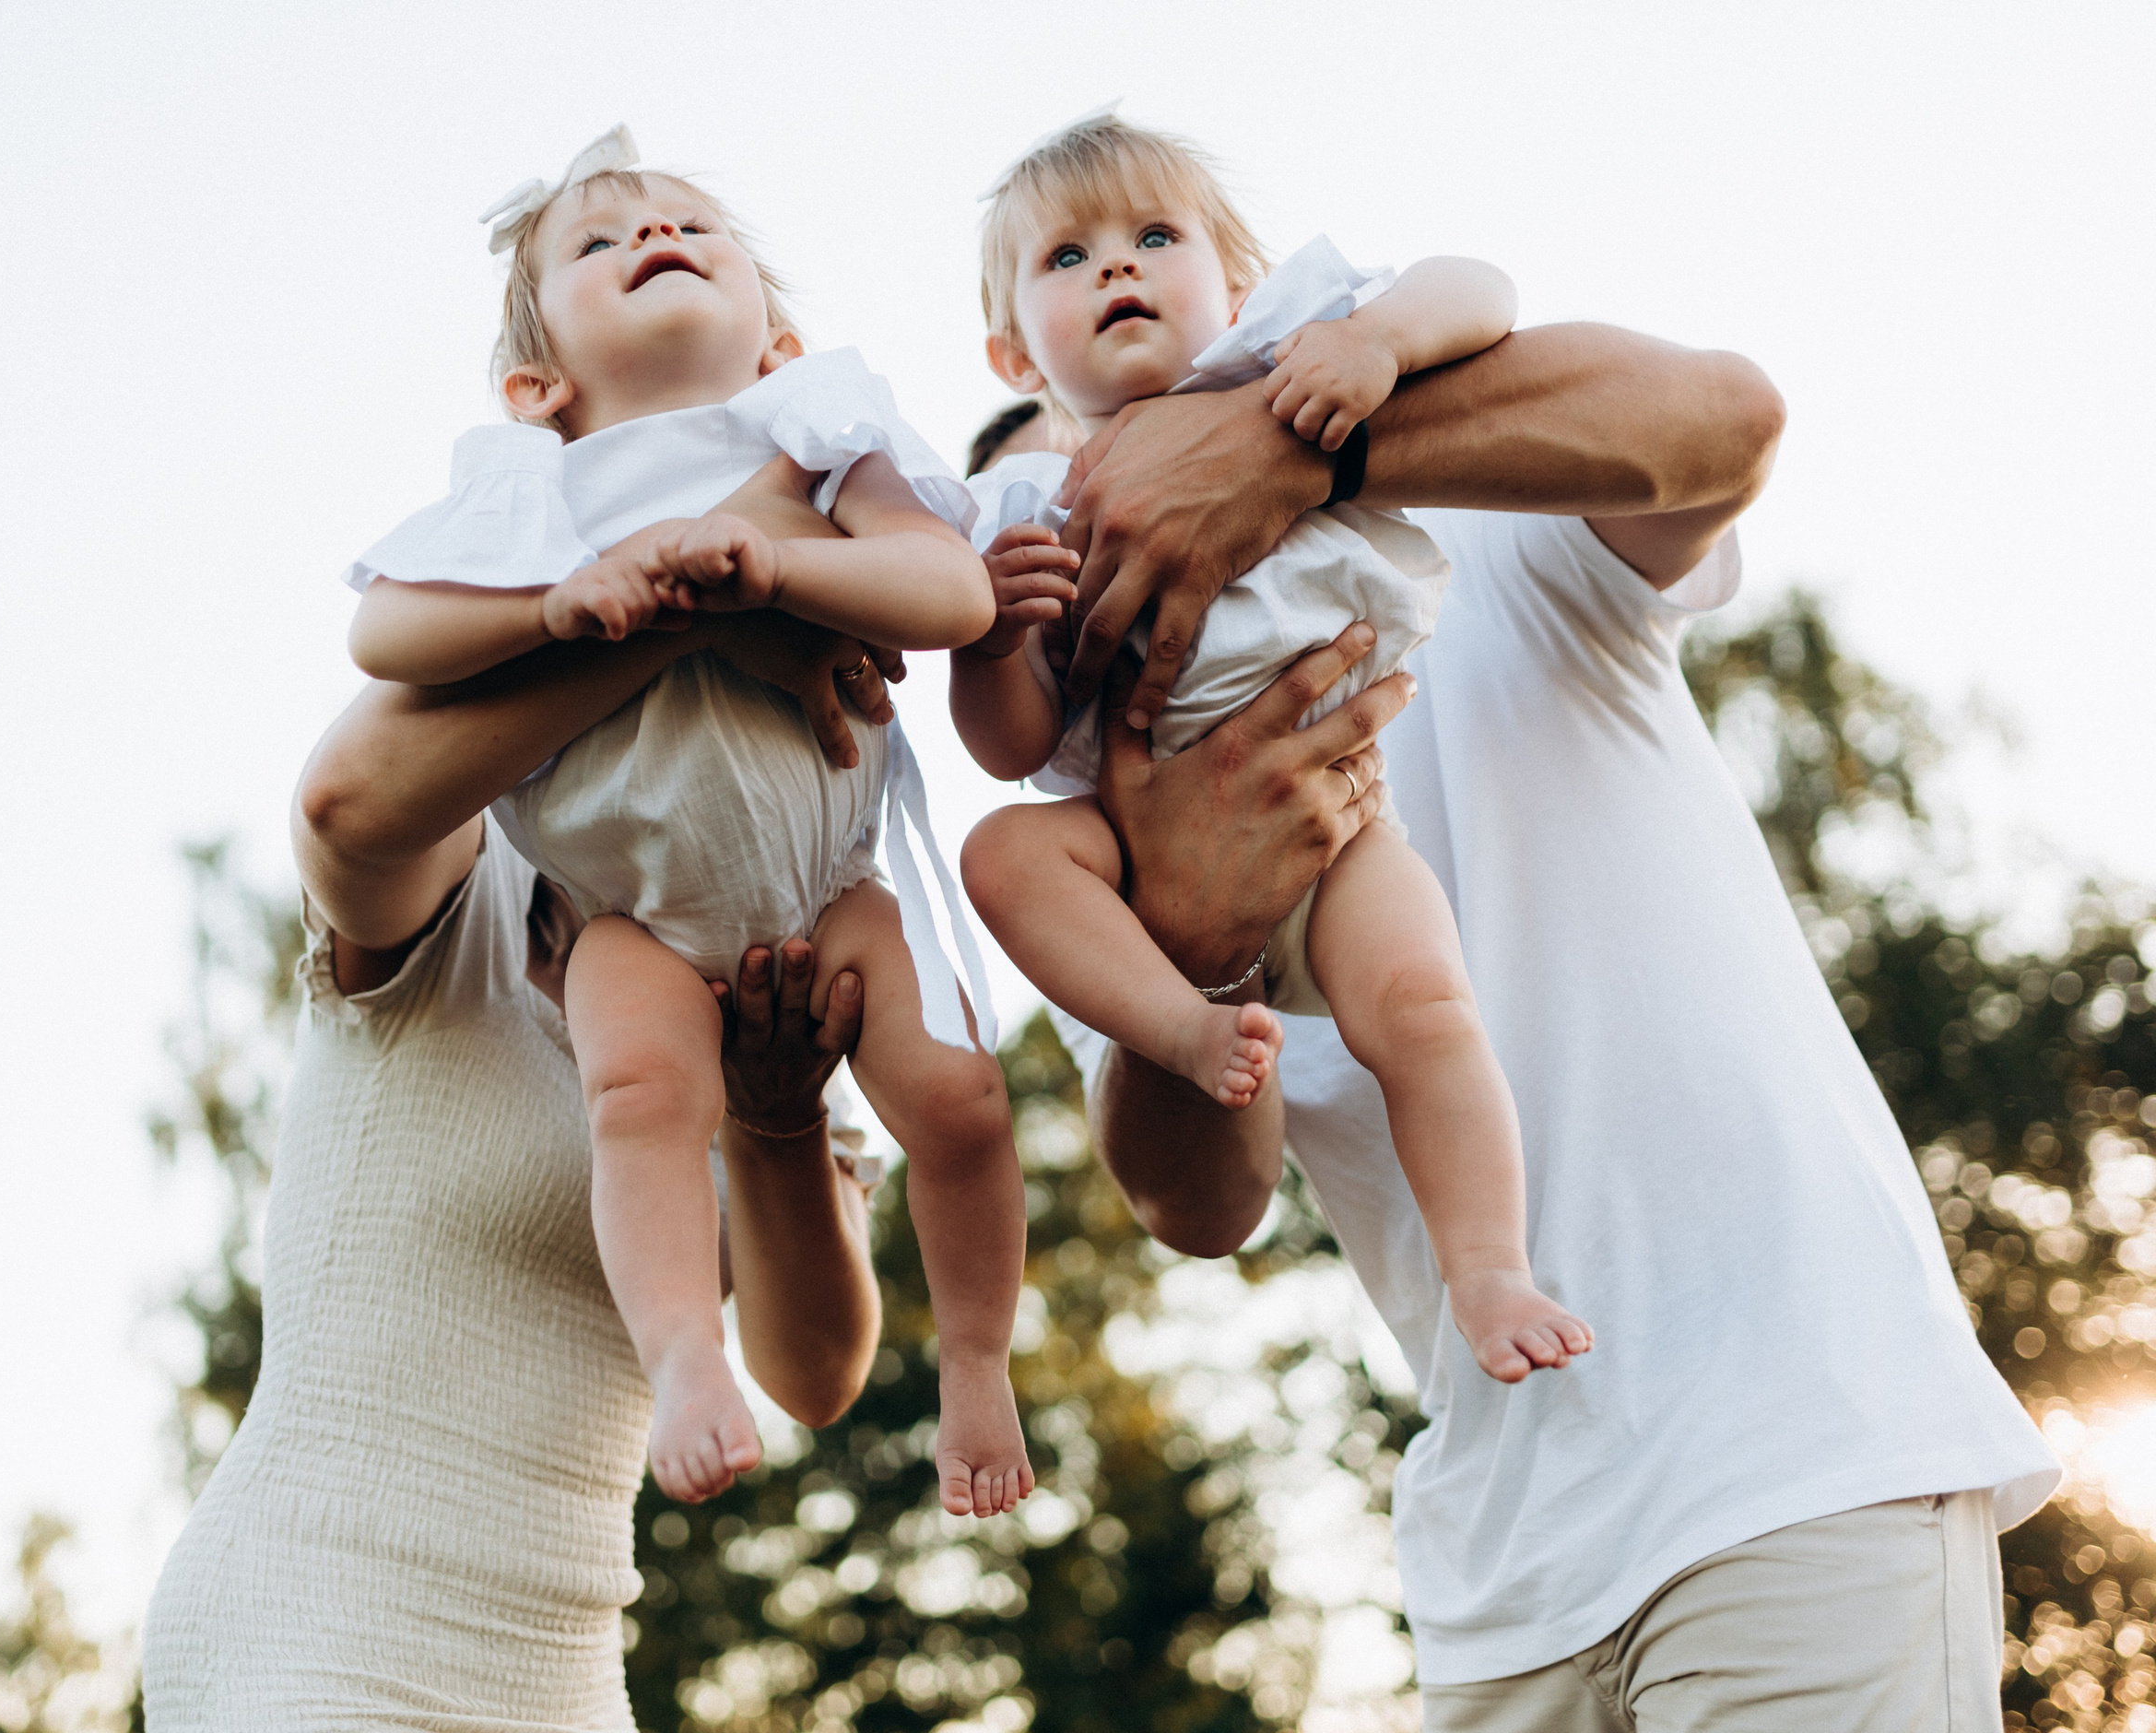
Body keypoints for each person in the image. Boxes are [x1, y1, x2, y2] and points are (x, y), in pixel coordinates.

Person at [1045, 236, 2061, 1723]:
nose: (1106, 514)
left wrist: (1297, 460)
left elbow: (1726, 420)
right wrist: (1197, 937)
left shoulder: (1465, 535)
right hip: (1502, 1561)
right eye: (1061, 507)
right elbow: (1200, 1206)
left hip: (1796, 1442)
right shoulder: (1100, 798)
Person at [341, 128, 1032, 1515]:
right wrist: (552, 605)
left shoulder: (817, 433)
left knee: (959, 1100)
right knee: (640, 1101)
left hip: (830, 885)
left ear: (777, 340)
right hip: (625, 919)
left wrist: (779, 570)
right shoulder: (530, 493)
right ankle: (682, 1359)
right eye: (595, 247)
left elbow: (952, 597)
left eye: (692, 227)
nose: (651, 238)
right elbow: (387, 632)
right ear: (538, 384)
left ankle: (978, 1365)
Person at [140, 596, 899, 1727]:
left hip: (562, 1666)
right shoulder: (470, 874)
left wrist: (775, 1114)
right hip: (312, 1621)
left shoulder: (763, 983)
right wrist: (690, 619)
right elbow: (342, 805)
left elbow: (816, 1370)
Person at [953, 113, 1588, 1383]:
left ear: (1234, 285)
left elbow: (1480, 290)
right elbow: (1015, 744)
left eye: (1152, 236)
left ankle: (1488, 1266)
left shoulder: (1281, 366)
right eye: (1065, 259)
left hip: (1346, 834)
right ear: (1015, 350)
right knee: (1006, 854)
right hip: (1139, 863)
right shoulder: (1023, 507)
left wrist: (1380, 338)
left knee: (1424, 1008)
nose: (1116, 269)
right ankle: (1187, 1023)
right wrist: (987, 636)